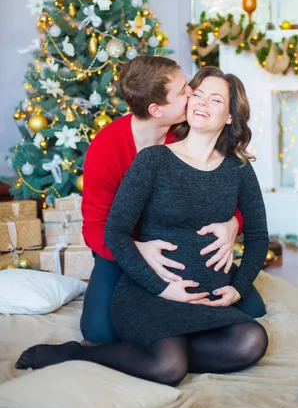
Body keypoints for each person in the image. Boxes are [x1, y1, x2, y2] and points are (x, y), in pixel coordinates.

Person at [16, 67, 269, 385]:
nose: (199, 101)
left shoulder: (238, 168)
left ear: (231, 116)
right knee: (166, 368)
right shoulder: (152, 159)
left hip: (204, 291)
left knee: (251, 340)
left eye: (215, 99)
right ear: (161, 108)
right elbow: (111, 230)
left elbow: (258, 233)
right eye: (196, 94)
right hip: (150, 287)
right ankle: (77, 353)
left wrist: (238, 285)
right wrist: (163, 287)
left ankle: (158, 350)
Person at [79, 56, 265, 344]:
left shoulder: (187, 132)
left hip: (182, 243)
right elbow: (95, 227)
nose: (193, 94)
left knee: (252, 309)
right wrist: (137, 249)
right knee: (100, 332)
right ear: (156, 110)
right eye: (184, 92)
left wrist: (233, 223)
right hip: (124, 245)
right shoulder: (107, 149)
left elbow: (222, 191)